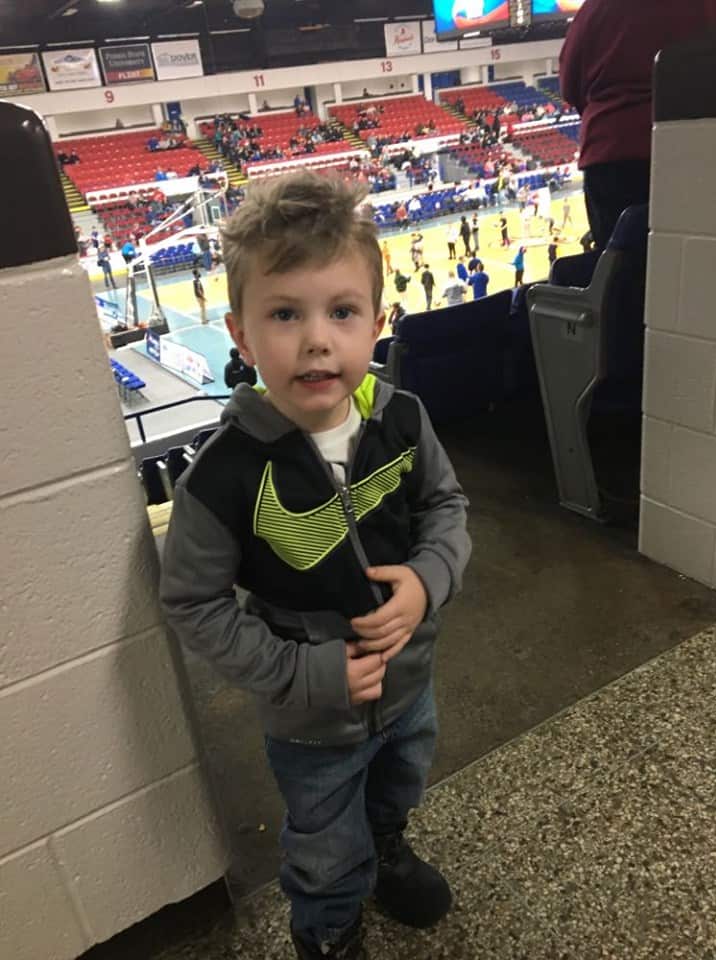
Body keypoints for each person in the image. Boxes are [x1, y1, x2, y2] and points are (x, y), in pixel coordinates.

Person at [160, 171, 471, 960]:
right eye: (285, 315)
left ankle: (389, 852)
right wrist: (304, 675)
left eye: (341, 311)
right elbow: (194, 603)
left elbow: (447, 509)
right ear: (240, 333)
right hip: (310, 721)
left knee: (399, 786)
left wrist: (430, 579)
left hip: (409, 683)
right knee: (324, 842)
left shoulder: (403, 416)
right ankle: (329, 929)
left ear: (377, 319)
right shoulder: (224, 475)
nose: (316, 340)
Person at [559, 0, 716, 250]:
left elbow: (569, 88)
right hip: (697, 147)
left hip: (612, 155)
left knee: (623, 274)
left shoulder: (596, 9)